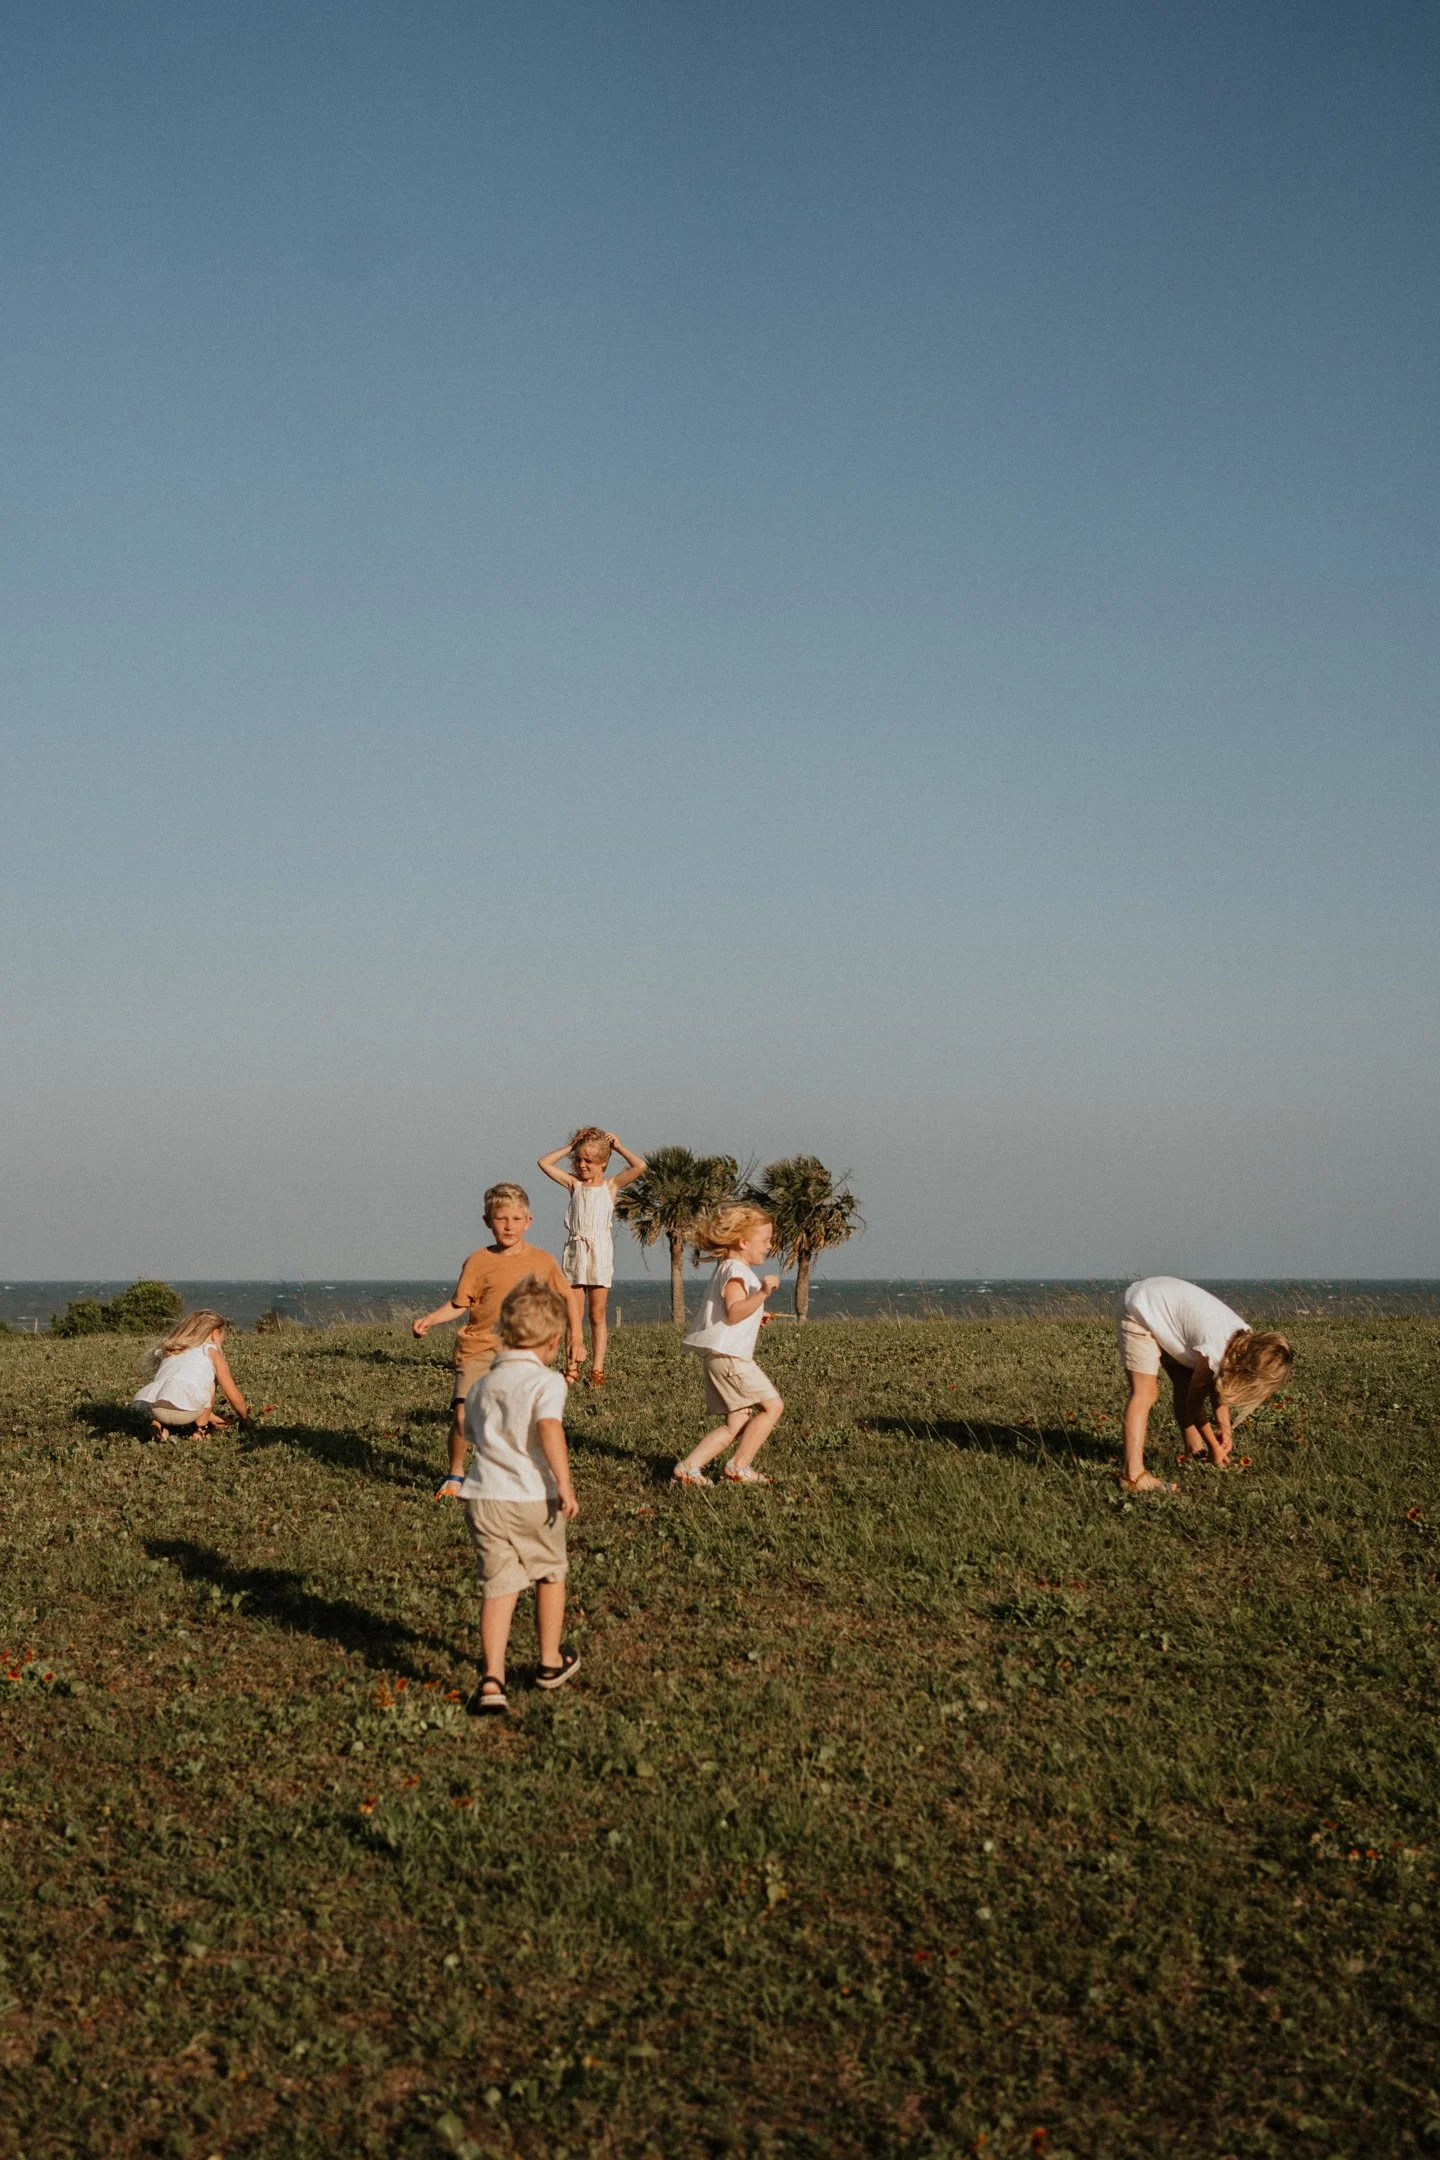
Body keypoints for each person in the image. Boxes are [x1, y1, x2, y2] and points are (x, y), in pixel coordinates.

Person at [446, 1275, 580, 1714]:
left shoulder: (483, 1383)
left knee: (498, 1587)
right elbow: (548, 1428)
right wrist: (563, 1481)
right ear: (554, 1340)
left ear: (504, 1331)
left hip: (484, 1497)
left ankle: (491, 1680)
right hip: (531, 1496)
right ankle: (547, 1661)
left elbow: (468, 1429)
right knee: (549, 1573)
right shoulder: (548, 1382)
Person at [413, 1184, 574, 1491]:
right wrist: (430, 1320)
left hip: (522, 1352)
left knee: (517, 1419)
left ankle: (517, 1473)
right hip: (478, 1348)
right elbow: (459, 1303)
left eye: (516, 1219)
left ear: (529, 1221)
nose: (509, 1226)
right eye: (501, 1219)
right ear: (487, 1221)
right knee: (462, 1415)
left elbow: (567, 1297)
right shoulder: (477, 1260)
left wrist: (575, 1339)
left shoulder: (543, 1261)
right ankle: (455, 1475)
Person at [1117, 1276, 1294, 1492]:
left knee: (1184, 1383)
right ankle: (1132, 1476)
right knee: (1146, 1393)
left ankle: (1194, 1453)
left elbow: (1218, 1387)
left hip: (1165, 1313)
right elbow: (1195, 1403)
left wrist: (1225, 1430)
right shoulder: (1216, 1348)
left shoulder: (1242, 1341)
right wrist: (1214, 1447)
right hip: (1140, 1308)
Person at [673, 1203, 785, 1487]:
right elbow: (734, 1310)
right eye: (765, 1240)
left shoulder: (732, 1268)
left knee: (735, 1423)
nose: (770, 1246)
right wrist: (762, 1295)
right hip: (731, 1356)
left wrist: (757, 1313)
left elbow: (732, 1313)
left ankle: (689, 1468)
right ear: (743, 1241)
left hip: (720, 1356)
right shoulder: (736, 1270)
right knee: (773, 1406)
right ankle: (738, 1467)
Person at [537, 1128, 647, 1385]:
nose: (582, 1165)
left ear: (603, 1164)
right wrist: (570, 1147)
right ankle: (572, 1368)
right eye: (579, 1159)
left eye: (589, 1161)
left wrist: (618, 1147)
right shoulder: (574, 1185)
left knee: (597, 1313)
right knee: (572, 1313)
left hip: (599, 1252)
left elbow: (640, 1166)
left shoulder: (611, 1186)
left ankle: (597, 1369)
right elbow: (543, 1163)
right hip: (576, 1251)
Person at [132, 1310, 248, 1439]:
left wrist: (211, 1416)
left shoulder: (172, 1349)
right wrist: (245, 1419)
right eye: (223, 1339)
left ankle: (160, 1426)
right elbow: (233, 1395)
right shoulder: (211, 1351)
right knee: (209, 1381)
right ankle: (201, 1431)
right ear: (215, 1334)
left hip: (157, 1410)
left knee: (170, 1384)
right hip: (186, 1413)